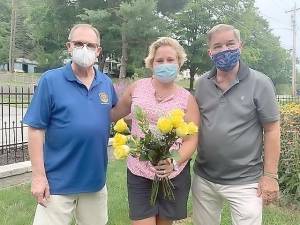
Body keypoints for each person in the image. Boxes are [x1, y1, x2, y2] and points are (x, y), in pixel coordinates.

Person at [23, 24, 117, 225]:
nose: (85, 49)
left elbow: (116, 115)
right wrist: (38, 176)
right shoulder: (51, 80)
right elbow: (35, 129)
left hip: (95, 183)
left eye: (91, 45)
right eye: (79, 43)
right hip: (57, 183)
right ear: (69, 46)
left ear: (98, 51)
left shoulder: (106, 84)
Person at [192, 24, 280, 225]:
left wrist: (270, 176)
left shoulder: (261, 83)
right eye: (218, 46)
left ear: (240, 46)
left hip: (245, 182)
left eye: (230, 44)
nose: (224, 50)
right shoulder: (202, 84)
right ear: (210, 52)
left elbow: (272, 129)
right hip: (204, 177)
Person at [111, 37, 200, 225]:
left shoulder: (187, 98)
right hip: (139, 172)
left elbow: (191, 139)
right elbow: (114, 113)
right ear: (151, 63)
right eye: (159, 60)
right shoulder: (137, 88)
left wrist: (173, 162)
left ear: (179, 63)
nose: (165, 64)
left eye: (170, 60)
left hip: (173, 175)